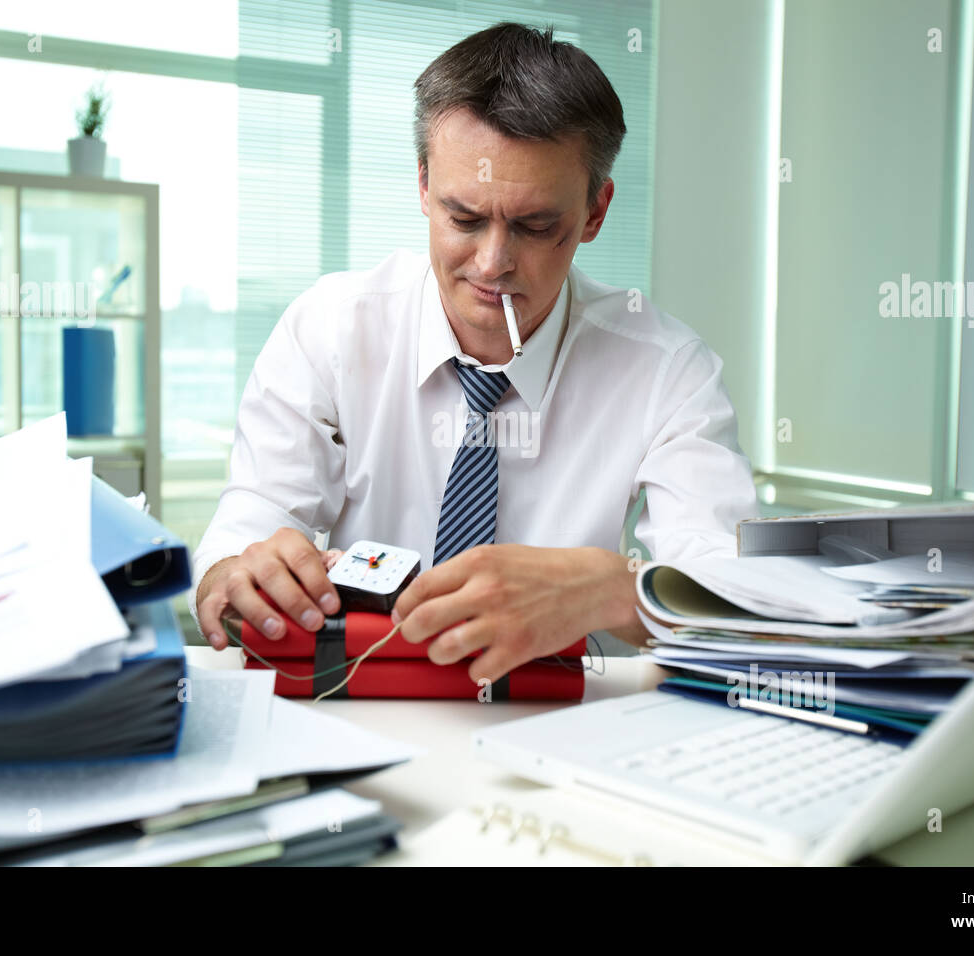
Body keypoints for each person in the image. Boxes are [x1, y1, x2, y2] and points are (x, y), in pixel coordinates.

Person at [191, 22, 759, 684]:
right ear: (425, 187)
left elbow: (740, 604)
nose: (493, 264)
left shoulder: (667, 371)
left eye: (536, 225)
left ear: (596, 212)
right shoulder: (330, 329)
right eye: (465, 218)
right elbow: (243, 533)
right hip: (353, 712)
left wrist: (615, 589)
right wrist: (233, 577)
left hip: (557, 736)